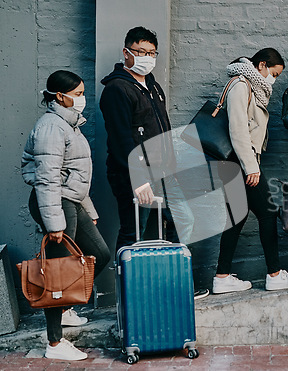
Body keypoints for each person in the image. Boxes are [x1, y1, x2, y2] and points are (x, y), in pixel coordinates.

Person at [99, 27, 208, 299]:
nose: (147, 58)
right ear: (126, 53)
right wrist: (140, 179)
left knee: (180, 221)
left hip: (164, 172)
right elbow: (122, 138)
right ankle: (128, 296)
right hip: (135, 176)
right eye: (140, 52)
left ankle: (175, 287)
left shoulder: (152, 85)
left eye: (151, 53)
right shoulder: (117, 89)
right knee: (132, 233)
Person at [21, 70, 111, 360]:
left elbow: (74, 175)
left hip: (69, 201)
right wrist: (54, 222)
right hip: (54, 203)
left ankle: (65, 306)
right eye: (78, 93)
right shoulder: (51, 127)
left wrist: (89, 210)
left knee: (99, 253)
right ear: (60, 96)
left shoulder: (69, 125)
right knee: (58, 272)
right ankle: (55, 344)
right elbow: (47, 179)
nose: (82, 99)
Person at [212, 48, 288, 294]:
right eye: (273, 73)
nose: (272, 80)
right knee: (267, 211)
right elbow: (238, 129)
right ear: (261, 65)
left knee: (237, 217)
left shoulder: (250, 86)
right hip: (239, 162)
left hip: (235, 162)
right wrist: (250, 166)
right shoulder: (241, 85)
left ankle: (221, 276)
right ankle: (274, 274)